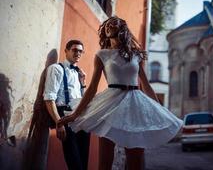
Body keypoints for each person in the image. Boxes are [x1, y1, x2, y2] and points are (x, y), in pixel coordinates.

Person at [58, 16, 183, 170]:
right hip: (109, 106)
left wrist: (159, 110)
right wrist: (75, 114)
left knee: (135, 159)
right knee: (105, 161)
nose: (109, 26)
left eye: (113, 24)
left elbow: (145, 84)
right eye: (107, 25)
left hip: (134, 104)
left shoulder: (136, 54)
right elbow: (92, 88)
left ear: (121, 28)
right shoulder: (102, 55)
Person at [43, 40, 90, 170]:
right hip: (65, 117)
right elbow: (49, 98)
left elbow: (81, 99)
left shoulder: (78, 73)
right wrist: (59, 122)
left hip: (81, 118)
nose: (78, 53)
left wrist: (83, 83)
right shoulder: (56, 69)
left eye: (81, 51)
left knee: (83, 162)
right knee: (74, 162)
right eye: (75, 50)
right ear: (66, 51)